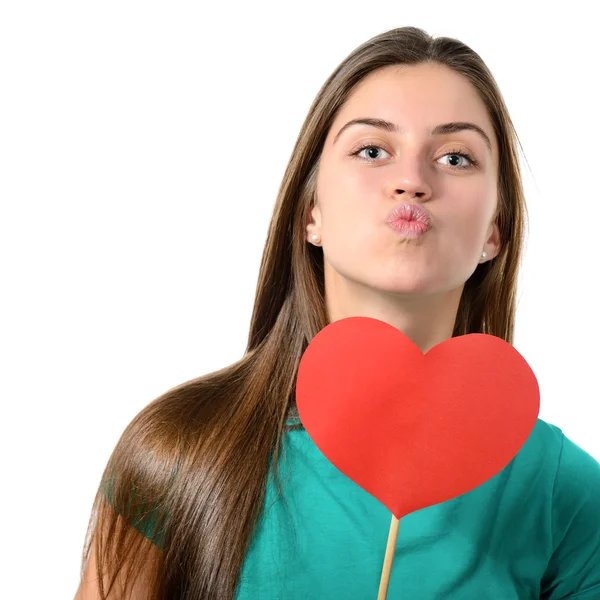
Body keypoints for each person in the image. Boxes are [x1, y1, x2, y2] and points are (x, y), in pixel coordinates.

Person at [74, 25, 600, 600]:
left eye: (455, 156)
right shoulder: (176, 452)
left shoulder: (565, 495)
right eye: (373, 150)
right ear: (310, 214)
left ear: (494, 232)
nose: (411, 181)